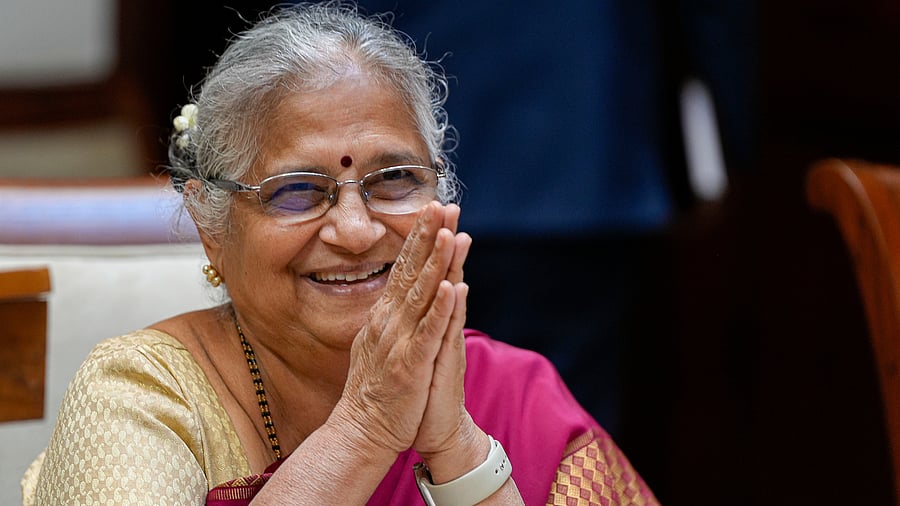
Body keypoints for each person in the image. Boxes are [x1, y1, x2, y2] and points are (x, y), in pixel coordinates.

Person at [21, 2, 659, 504]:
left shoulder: (514, 393)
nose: (355, 231)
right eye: (297, 191)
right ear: (212, 228)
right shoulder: (144, 394)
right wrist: (369, 425)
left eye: (394, 180)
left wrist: (458, 448)